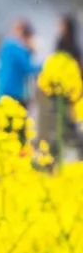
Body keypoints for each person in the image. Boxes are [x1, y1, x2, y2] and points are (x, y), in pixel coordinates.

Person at [51, 13, 82, 159]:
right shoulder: (73, 44)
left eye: (61, 25)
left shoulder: (63, 43)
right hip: (67, 86)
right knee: (66, 120)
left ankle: (67, 149)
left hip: (64, 87)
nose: (58, 27)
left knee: (64, 120)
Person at [0, 18, 40, 108]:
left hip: (3, 89)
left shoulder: (7, 45)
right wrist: (47, 65)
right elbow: (28, 68)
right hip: (13, 91)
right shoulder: (14, 47)